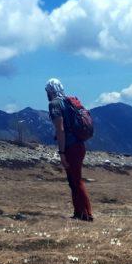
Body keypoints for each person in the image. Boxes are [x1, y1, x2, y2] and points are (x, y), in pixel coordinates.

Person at [46, 78, 93, 222]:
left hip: (70, 147)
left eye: (47, 91)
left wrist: (61, 153)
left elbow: (60, 130)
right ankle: (78, 212)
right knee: (73, 180)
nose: (47, 94)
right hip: (80, 145)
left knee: (76, 180)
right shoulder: (69, 102)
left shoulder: (55, 104)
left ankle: (86, 214)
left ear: (50, 91)